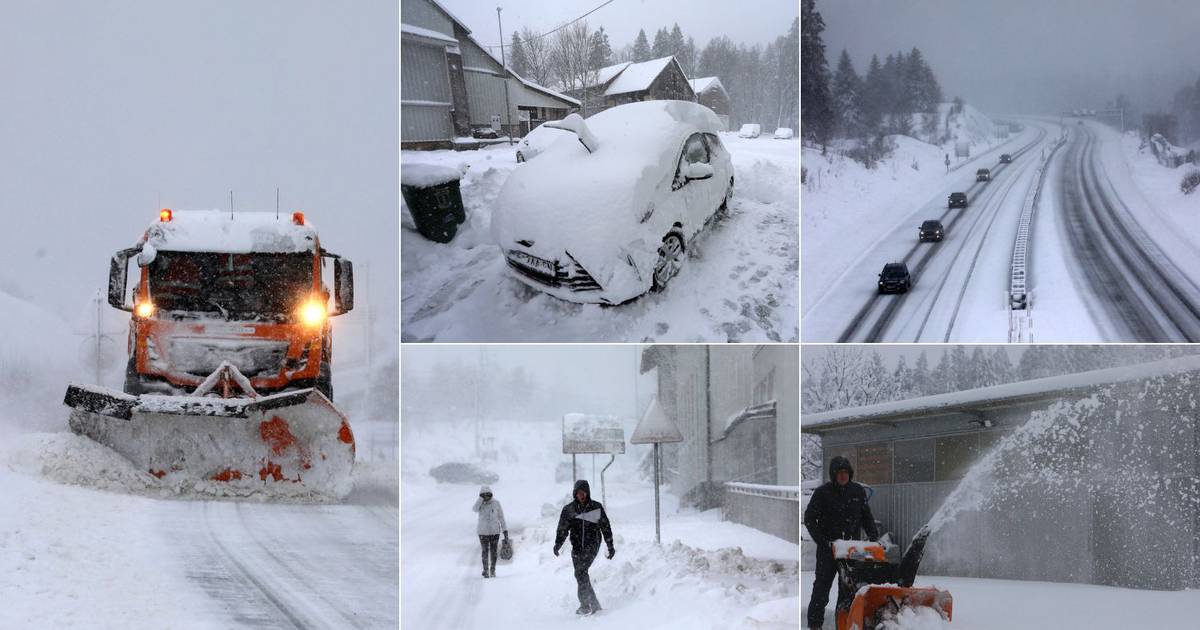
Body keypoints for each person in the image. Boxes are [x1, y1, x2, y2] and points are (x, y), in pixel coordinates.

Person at [803, 456, 879, 630]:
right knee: (821, 589)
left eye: (846, 472)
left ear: (850, 474)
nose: (843, 476)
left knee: (848, 592)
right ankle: (815, 625)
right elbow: (809, 519)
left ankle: (843, 624)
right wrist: (824, 542)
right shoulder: (823, 493)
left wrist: (873, 537)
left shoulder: (857, 491)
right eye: (840, 473)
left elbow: (866, 517)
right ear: (833, 475)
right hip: (828, 551)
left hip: (851, 551)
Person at [553, 479, 614, 615]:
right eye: (579, 493)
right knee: (580, 574)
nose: (582, 495)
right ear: (575, 494)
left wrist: (610, 545)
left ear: (588, 493)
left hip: (592, 545)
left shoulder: (596, 507)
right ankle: (593, 604)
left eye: (584, 493)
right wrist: (558, 544)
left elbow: (606, 527)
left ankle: (586, 605)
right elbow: (562, 529)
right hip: (577, 548)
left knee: (580, 572)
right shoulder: (569, 510)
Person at [473, 485, 508, 578]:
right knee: (485, 551)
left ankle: (492, 570)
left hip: (494, 532)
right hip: (482, 532)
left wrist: (505, 531)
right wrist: (480, 500)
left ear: (491, 494)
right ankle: (485, 570)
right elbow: (474, 509)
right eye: (483, 495)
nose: (486, 497)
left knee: (493, 552)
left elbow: (501, 517)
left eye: (487, 495)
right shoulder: (480, 504)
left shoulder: (496, 503)